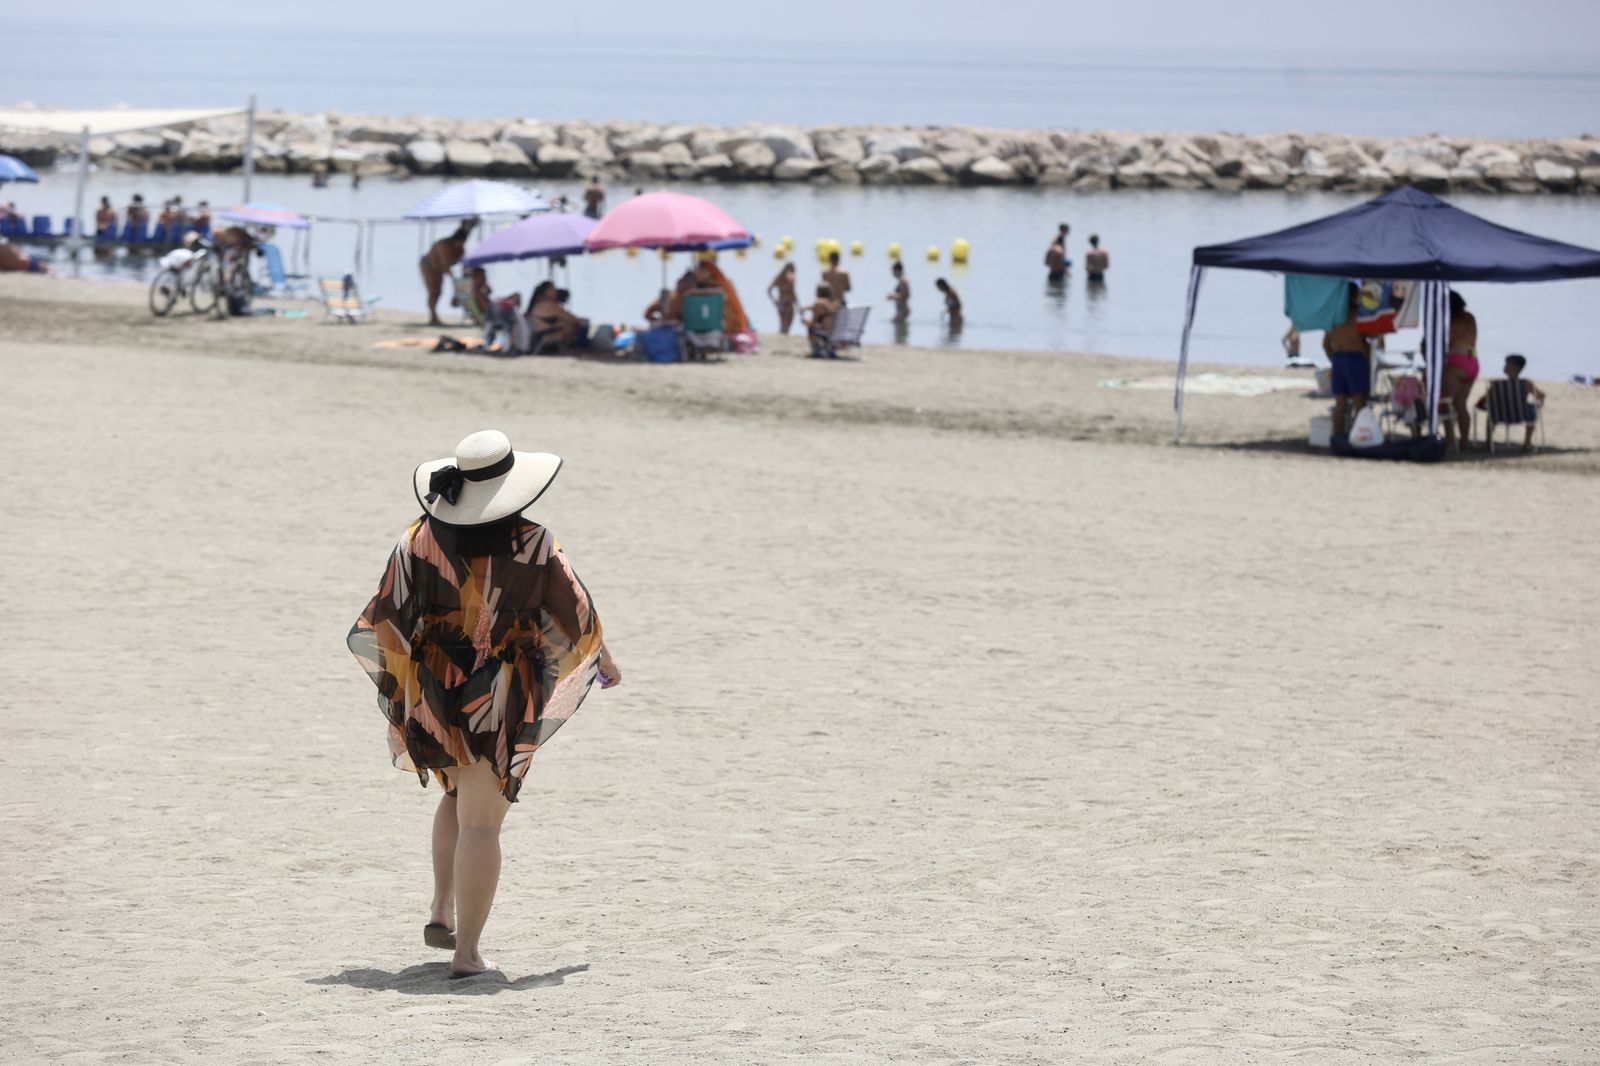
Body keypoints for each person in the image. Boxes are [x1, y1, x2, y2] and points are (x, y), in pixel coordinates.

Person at [348, 429, 620, 981]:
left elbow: (383, 619)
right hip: (498, 693)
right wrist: (605, 661)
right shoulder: (536, 544)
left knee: (454, 794)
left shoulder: (416, 540)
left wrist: (414, 684)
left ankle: (439, 909)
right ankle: (467, 954)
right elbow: (577, 616)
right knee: (482, 824)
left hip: (433, 686)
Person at [1321, 283, 1370, 437]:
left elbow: (1325, 344)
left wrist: (1333, 359)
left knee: (1340, 405)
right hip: (1354, 358)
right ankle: (1358, 436)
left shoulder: (1334, 316)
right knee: (1359, 403)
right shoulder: (1357, 315)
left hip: (1338, 359)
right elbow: (1367, 339)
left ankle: (1337, 437)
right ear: (1355, 297)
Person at [1476, 354, 1546, 453]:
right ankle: (1527, 442)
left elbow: (1485, 399)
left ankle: (1488, 443)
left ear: (1513, 367)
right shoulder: (1526, 383)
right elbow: (1540, 396)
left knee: (1490, 416)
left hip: (1499, 415)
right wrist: (1540, 404)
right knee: (1532, 413)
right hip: (1521, 415)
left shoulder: (1496, 384)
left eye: (1507, 364)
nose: (1504, 366)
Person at [420, 220, 478, 327]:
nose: (461, 246)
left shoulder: (460, 248)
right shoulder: (443, 246)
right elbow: (445, 266)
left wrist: (466, 279)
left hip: (440, 270)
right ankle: (433, 317)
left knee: (449, 290)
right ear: (455, 240)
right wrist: (456, 283)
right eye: (460, 243)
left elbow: (465, 264)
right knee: (434, 292)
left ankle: (473, 314)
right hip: (429, 267)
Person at [1442, 290, 1478, 452]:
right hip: (1472, 361)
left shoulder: (1450, 320)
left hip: (1455, 361)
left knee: (1446, 405)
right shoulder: (1470, 318)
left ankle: (1450, 442)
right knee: (1461, 405)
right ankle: (1464, 441)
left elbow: (1445, 342)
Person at [528, 286, 589, 351]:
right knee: (575, 325)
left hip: (538, 336)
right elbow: (572, 319)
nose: (555, 292)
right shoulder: (548, 304)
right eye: (552, 289)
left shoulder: (539, 303)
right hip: (544, 338)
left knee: (567, 324)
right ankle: (580, 347)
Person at [802, 283, 838, 358]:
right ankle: (829, 350)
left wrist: (805, 321)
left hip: (826, 333)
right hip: (836, 333)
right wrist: (810, 308)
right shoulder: (834, 304)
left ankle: (816, 351)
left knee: (811, 329)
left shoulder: (819, 303)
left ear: (818, 292)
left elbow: (812, 323)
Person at [767, 262, 798, 334]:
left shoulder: (784, 278)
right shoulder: (781, 278)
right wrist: (775, 301)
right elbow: (769, 290)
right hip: (784, 303)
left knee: (786, 325)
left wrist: (775, 301)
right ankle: (782, 339)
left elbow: (793, 293)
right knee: (784, 325)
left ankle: (782, 339)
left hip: (787, 303)